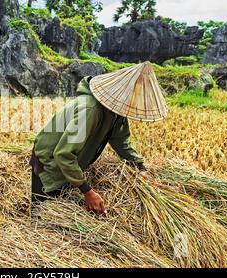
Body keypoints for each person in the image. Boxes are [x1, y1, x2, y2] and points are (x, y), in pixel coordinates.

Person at [30, 61, 168, 215]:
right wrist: (87, 191)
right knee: (44, 216)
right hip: (48, 163)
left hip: (68, 162)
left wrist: (140, 167)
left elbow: (121, 142)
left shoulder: (116, 112)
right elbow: (63, 154)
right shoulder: (90, 109)